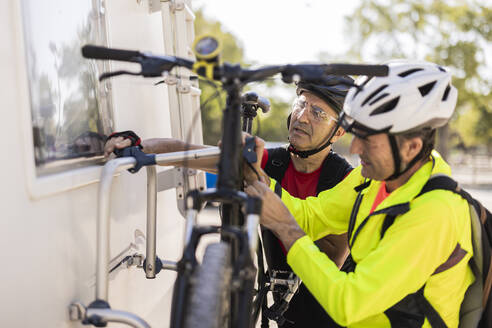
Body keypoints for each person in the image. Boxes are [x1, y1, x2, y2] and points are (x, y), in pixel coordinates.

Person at [104, 75, 355, 327]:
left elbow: (331, 261)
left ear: (339, 132)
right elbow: (190, 152)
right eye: (300, 105)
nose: (302, 117)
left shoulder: (345, 180)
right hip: (282, 303)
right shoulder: (274, 161)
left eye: (318, 112)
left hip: (328, 308)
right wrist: (138, 145)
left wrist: (260, 181)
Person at [245, 60, 473, 327]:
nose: (354, 147)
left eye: (367, 139)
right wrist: (256, 176)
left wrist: (285, 227)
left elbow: (349, 303)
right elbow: (311, 216)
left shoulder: (433, 213)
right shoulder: (378, 179)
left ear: (411, 148)